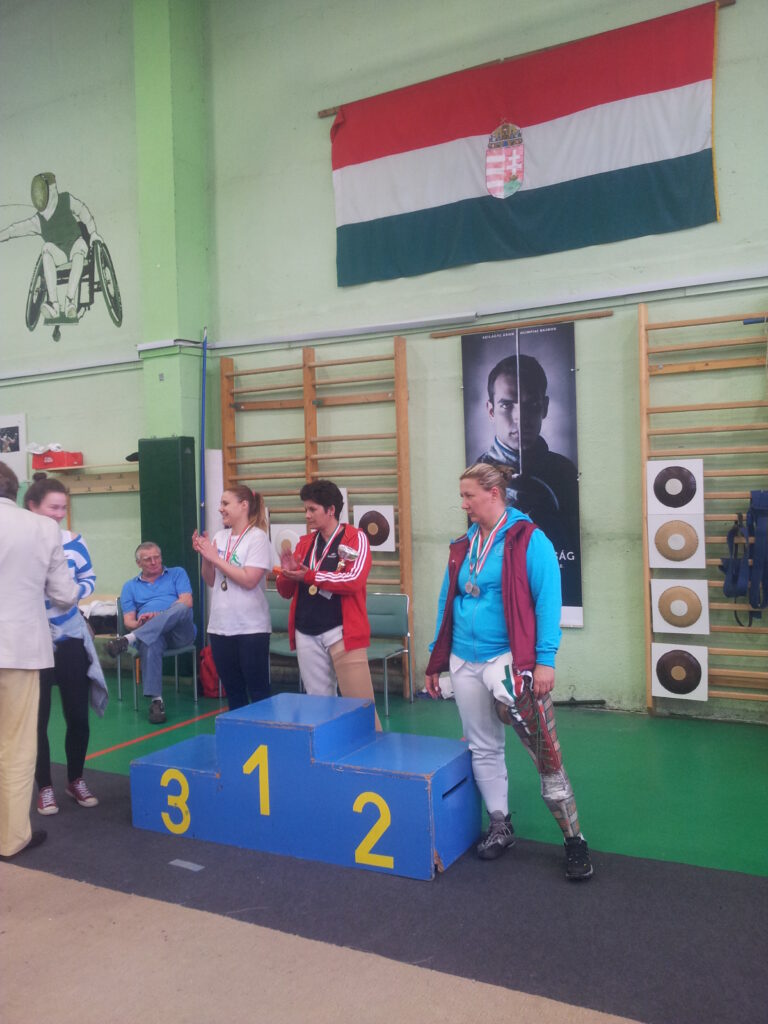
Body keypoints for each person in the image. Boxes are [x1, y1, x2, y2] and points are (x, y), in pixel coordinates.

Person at [425, 462, 593, 880]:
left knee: (545, 754)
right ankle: (500, 824)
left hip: (509, 660)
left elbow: (548, 602)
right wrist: (436, 658)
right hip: (464, 659)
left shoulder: (529, 539)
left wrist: (545, 660)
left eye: (469, 496)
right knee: (482, 746)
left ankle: (574, 841)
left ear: (494, 494)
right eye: (462, 496)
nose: (463, 504)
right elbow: (447, 601)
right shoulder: (463, 544)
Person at [0, 462, 78, 858]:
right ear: (16, 491)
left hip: (19, 647)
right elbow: (64, 595)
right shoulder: (43, 529)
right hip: (20, 649)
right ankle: (11, 837)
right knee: (16, 746)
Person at [24, 474, 108, 815]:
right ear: (32, 506)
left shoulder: (73, 541)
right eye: (53, 507)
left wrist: (71, 594)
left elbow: (88, 579)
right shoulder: (19, 540)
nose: (59, 514)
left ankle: (75, 779)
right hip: (33, 638)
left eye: (63, 507)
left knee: (77, 714)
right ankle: (44, 787)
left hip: (70, 635)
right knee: (37, 719)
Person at [275, 479, 381, 730]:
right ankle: (328, 753)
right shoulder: (305, 543)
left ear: (331, 510)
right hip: (306, 632)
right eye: (306, 509)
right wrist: (287, 574)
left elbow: (354, 580)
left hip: (342, 632)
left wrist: (309, 576)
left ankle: (373, 751)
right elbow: (285, 592)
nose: (307, 515)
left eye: (312, 509)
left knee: (361, 707)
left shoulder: (356, 538)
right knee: (319, 708)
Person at [478, 353, 582, 606]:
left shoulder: (565, 472)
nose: (519, 418)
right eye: (506, 405)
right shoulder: (476, 476)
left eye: (531, 404)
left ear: (544, 407)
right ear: (491, 410)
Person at [192, 486, 273, 710]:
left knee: (258, 691)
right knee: (233, 691)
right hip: (220, 626)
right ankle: (239, 732)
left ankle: (263, 732)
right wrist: (205, 556)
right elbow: (210, 580)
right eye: (221, 503)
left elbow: (249, 580)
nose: (220, 509)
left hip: (251, 628)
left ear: (243, 505)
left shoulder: (257, 538)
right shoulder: (220, 536)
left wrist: (215, 559)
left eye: (225, 503)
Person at [107, 543, 195, 724]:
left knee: (182, 608)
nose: (154, 562)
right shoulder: (130, 586)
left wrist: (160, 616)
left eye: (157, 557)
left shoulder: (177, 573)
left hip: (180, 633)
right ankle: (157, 702)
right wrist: (140, 623)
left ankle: (128, 640)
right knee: (150, 641)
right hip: (153, 635)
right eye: (148, 559)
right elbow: (129, 621)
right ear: (138, 563)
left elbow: (187, 601)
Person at [0, 172, 102, 320]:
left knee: (79, 252)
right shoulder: (38, 220)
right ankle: (54, 305)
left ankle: (70, 302)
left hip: (76, 244)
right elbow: (15, 230)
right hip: (60, 253)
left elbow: (82, 210)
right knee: (46, 248)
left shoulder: (66, 199)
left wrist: (93, 233)